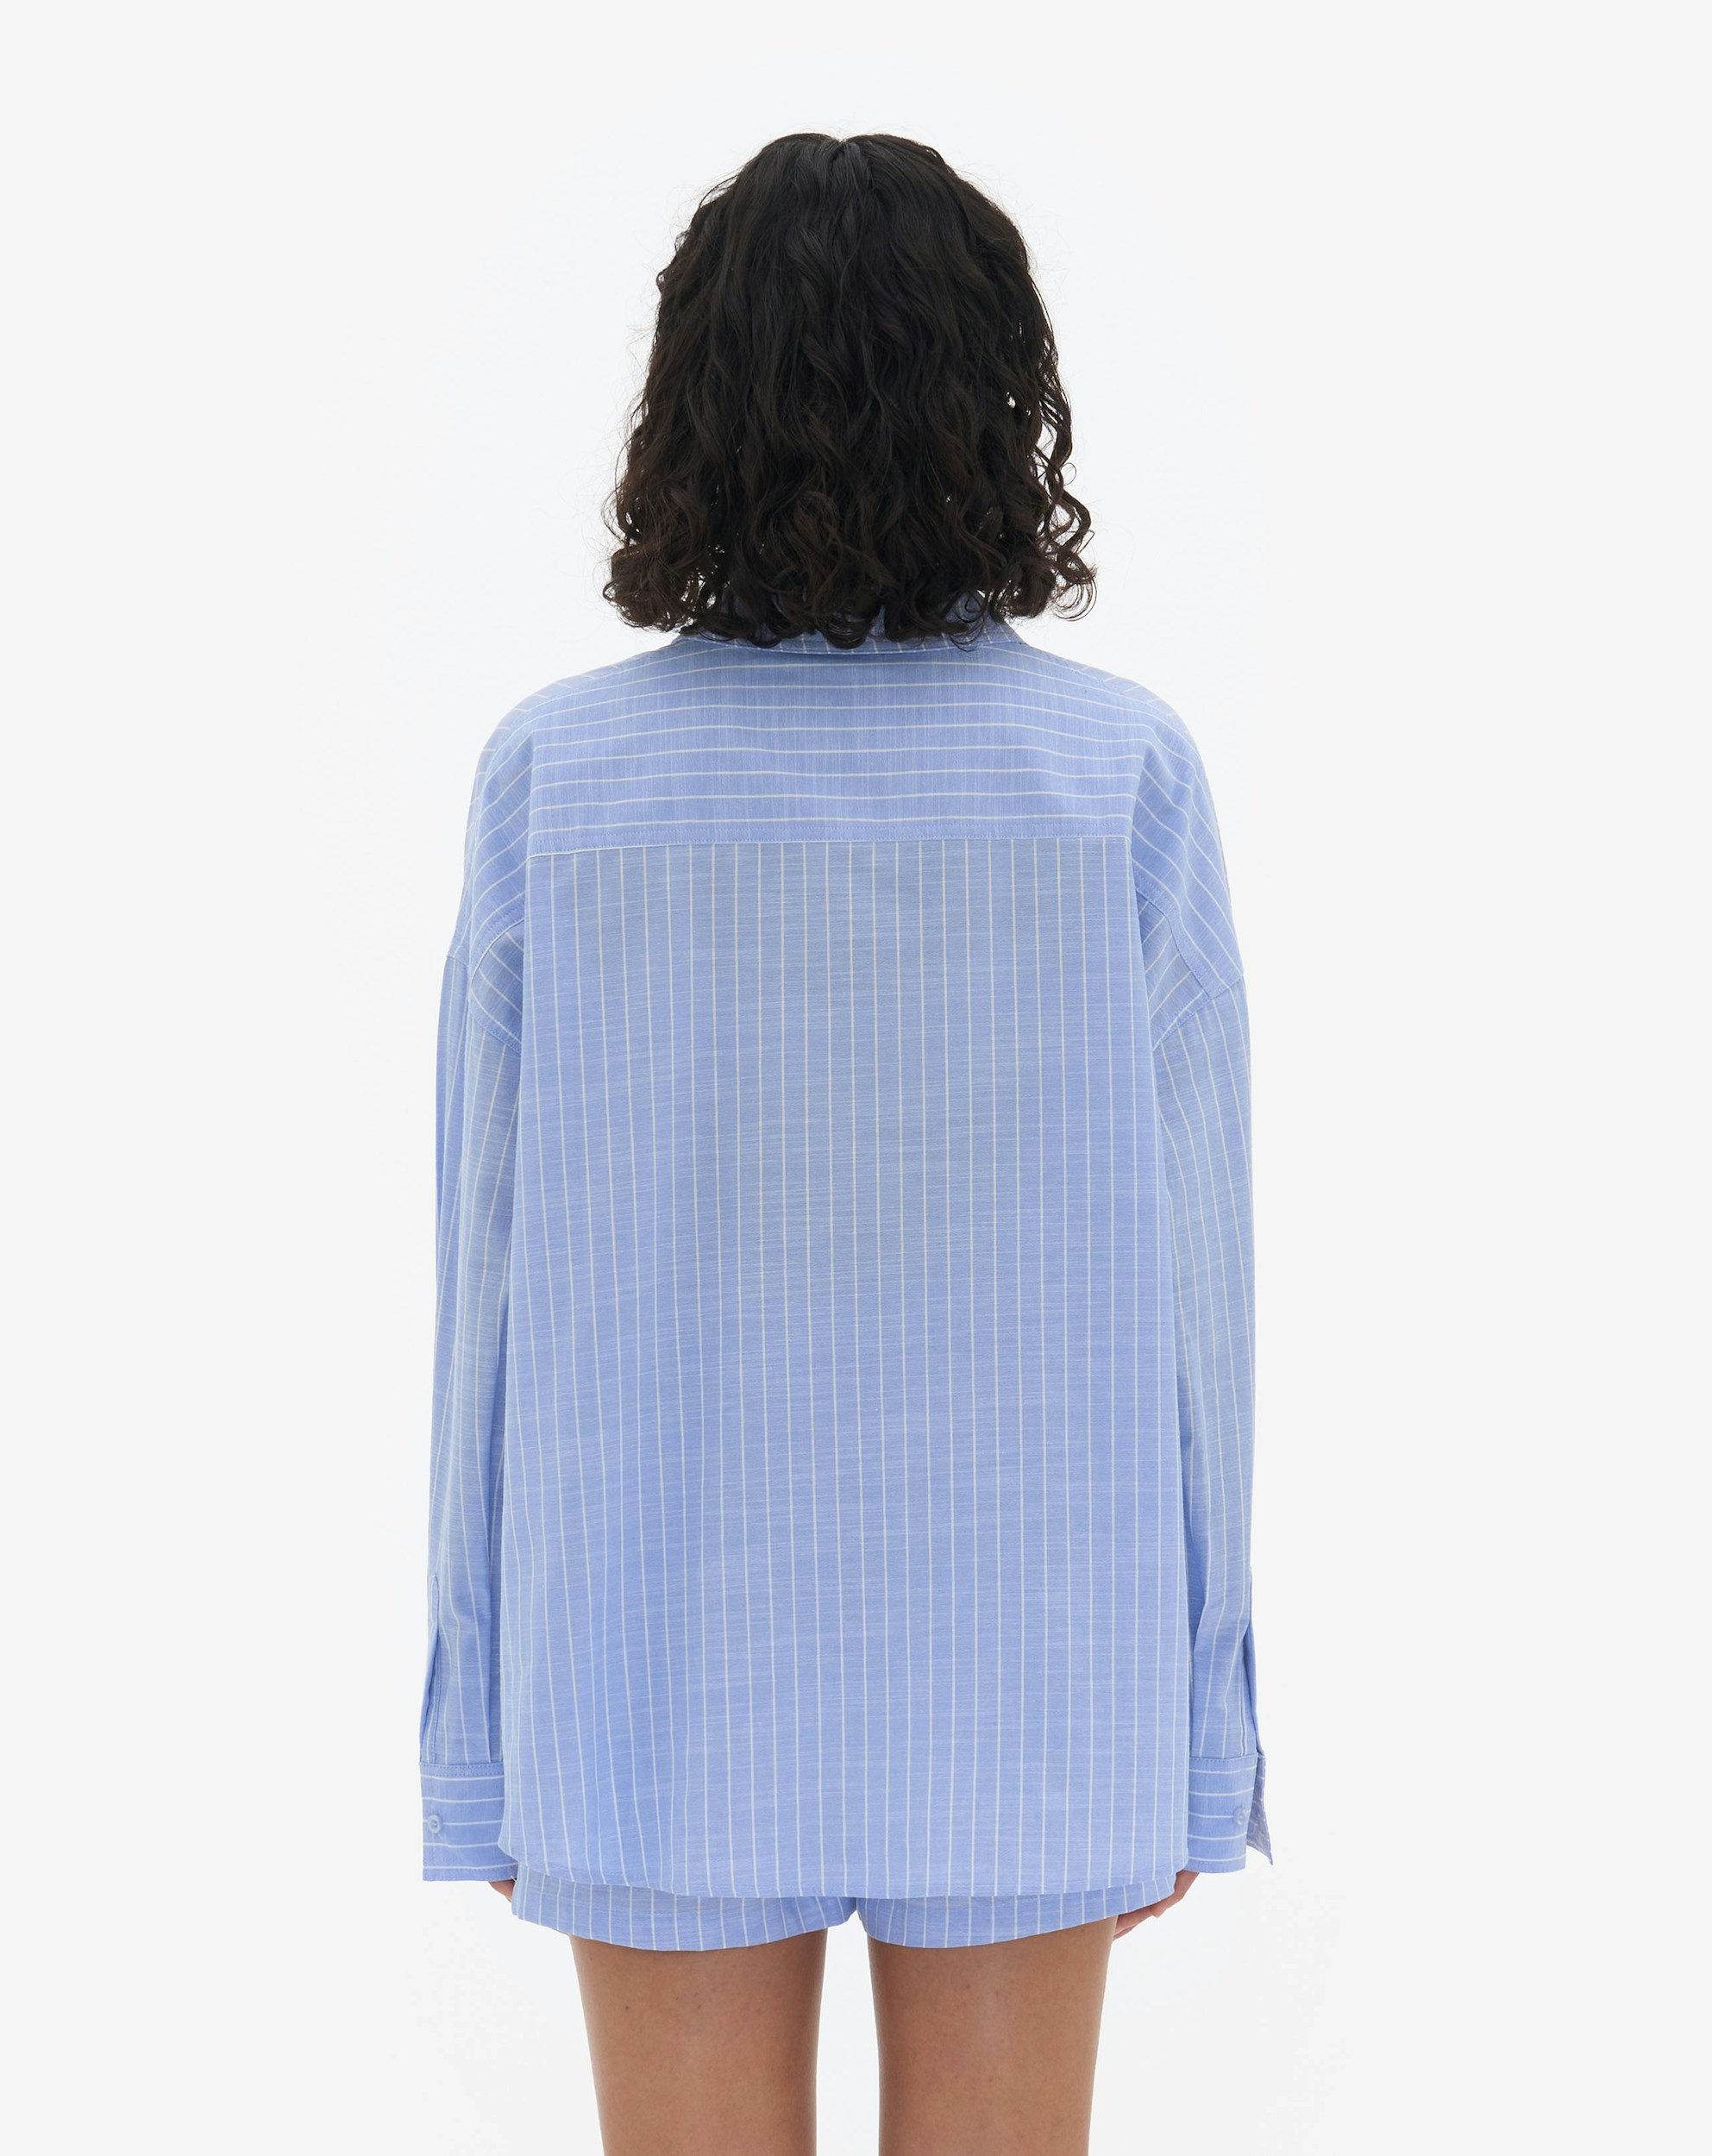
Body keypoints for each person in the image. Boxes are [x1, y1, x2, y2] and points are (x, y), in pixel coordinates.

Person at [421, 130, 1269, 2155]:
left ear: (688, 405)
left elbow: (485, 1285)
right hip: (1033, 1637)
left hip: (645, 1641)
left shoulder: (560, 779)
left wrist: (477, 1723)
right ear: (999, 399)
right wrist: (1199, 1719)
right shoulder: (1114, 776)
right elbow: (1204, 1306)